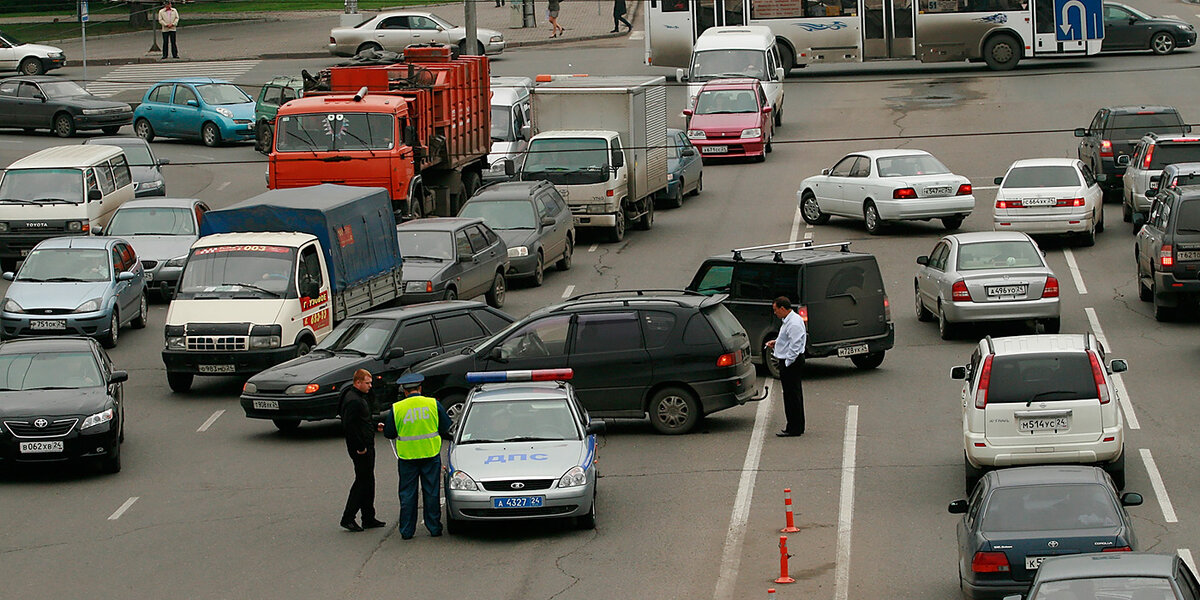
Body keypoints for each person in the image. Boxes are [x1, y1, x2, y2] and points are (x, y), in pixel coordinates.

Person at [380, 373, 452, 540]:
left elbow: (390, 433)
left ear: (405, 391)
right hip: (430, 454)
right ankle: (434, 528)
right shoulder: (433, 404)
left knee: (407, 494)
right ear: (420, 389)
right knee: (432, 493)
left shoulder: (397, 408)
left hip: (407, 458)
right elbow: (446, 426)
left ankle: (407, 531)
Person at [340, 369, 385, 532]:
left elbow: (362, 421)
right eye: (367, 383)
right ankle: (348, 517)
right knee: (362, 482)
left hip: (365, 444)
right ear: (357, 382)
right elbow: (350, 426)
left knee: (368, 481)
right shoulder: (354, 400)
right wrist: (360, 447)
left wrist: (374, 425)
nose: (370, 386)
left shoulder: (358, 398)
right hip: (362, 448)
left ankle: (368, 517)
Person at [765, 296, 807, 437]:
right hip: (791, 361)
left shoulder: (793, 323)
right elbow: (788, 339)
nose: (775, 313)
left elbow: (795, 345)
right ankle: (796, 426)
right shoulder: (789, 320)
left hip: (791, 363)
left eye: (776, 310)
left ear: (783, 308)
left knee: (791, 396)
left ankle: (794, 428)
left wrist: (788, 362)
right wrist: (776, 342)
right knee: (793, 395)